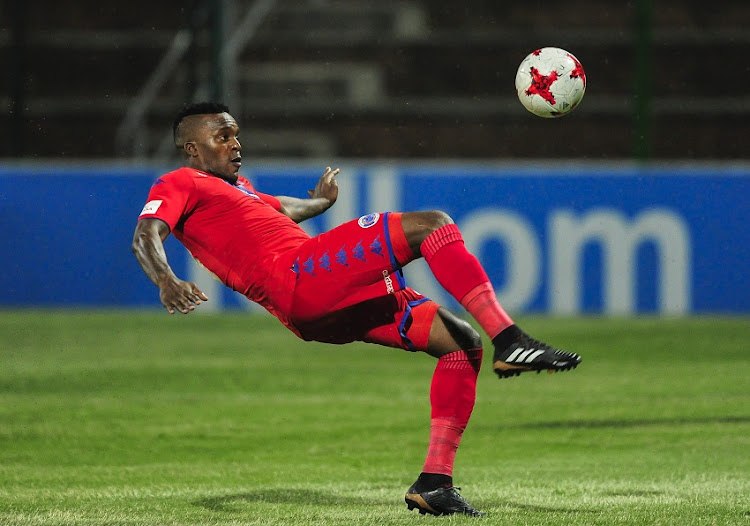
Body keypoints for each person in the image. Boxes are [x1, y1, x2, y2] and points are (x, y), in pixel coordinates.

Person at [132, 101, 581, 517]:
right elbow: (146, 235)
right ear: (192, 148)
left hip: (319, 306)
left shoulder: (237, 188)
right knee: (432, 226)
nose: (236, 144)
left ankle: (434, 484)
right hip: (299, 278)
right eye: (223, 137)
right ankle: (513, 340)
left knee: (461, 343)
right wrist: (167, 280)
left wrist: (322, 204)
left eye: (236, 135)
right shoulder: (179, 182)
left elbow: (283, 209)